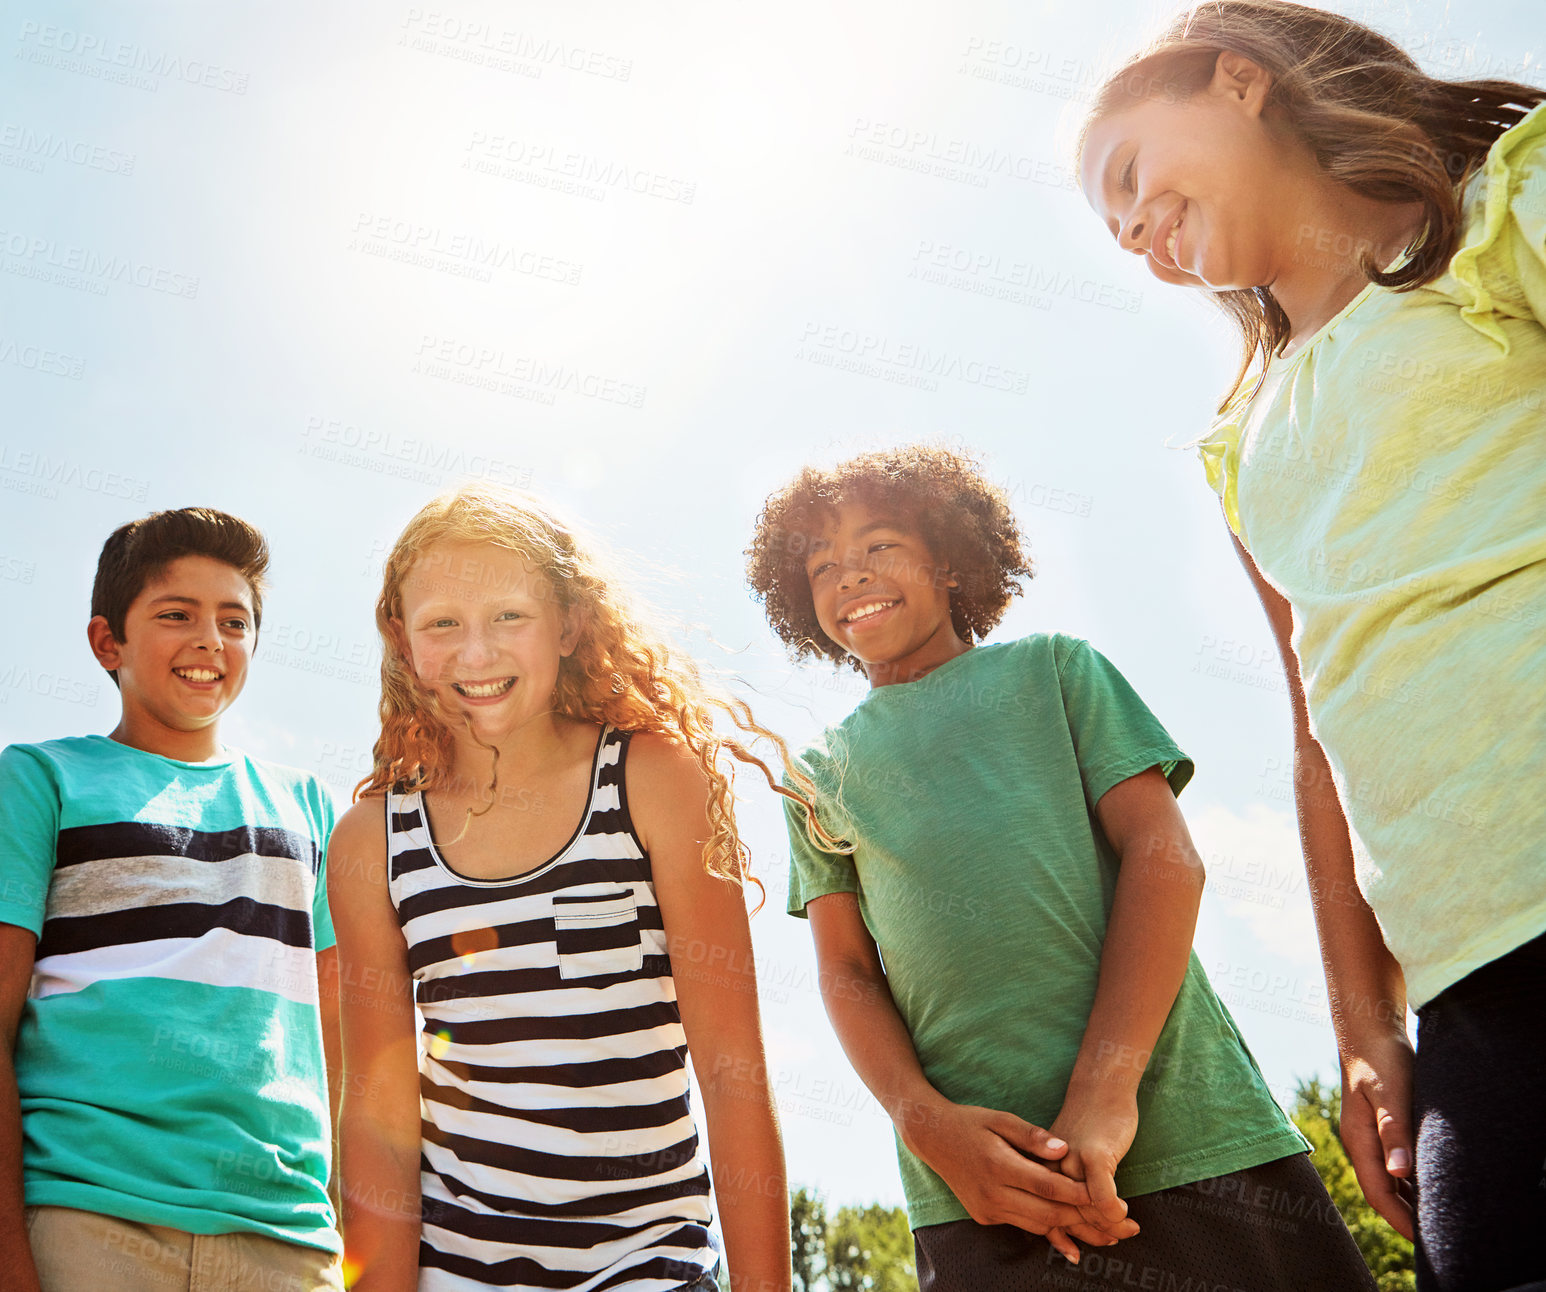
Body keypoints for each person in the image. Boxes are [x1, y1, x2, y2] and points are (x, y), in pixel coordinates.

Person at [1077, 3, 1546, 1287]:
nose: (1128, 227)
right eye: (1111, 227)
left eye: (1128, 175)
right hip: (1469, 974)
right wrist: (1361, 1027)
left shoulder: (1495, 211)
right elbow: (1315, 729)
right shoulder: (1244, 447)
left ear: (1238, 81)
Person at [744, 443, 1374, 1291]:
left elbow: (1165, 858)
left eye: (880, 545)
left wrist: (1106, 1094)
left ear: (950, 558)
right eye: (821, 565)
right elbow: (848, 973)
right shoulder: (815, 773)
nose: (850, 576)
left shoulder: (1057, 670)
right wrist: (926, 1126)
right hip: (980, 1193)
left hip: (1187, 1143)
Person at [329, 486, 790, 1292]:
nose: (477, 654)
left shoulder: (652, 781)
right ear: (403, 642)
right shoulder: (373, 841)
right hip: (456, 1272)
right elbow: (381, 1118)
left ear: (572, 622)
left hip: (647, 1265)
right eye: (443, 624)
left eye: (509, 616)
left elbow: (731, 1068)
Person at [0, 508, 344, 1292]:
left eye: (235, 621)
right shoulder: (39, 779)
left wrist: (349, 1226)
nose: (210, 641)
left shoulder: (312, 810)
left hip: (287, 1239)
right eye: (175, 615)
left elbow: (343, 1044)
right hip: (85, 1222)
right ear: (106, 642)